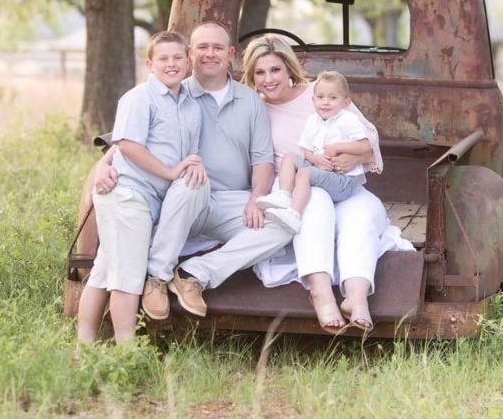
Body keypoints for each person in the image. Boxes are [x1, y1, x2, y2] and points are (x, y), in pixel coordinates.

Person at [84, 22, 294, 320]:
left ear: (231, 53)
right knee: (192, 181)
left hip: (228, 203)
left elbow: (262, 160)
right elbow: (138, 139)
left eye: (218, 47)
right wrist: (103, 164)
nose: (210, 54)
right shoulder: (176, 93)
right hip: (179, 200)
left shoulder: (250, 101)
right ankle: (157, 276)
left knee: (282, 224)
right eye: (203, 48)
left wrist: (256, 199)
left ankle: (194, 274)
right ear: (191, 54)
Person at [242, 35, 412, 332]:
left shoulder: (320, 93)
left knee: (363, 212)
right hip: (295, 183)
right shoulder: (254, 107)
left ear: (288, 68)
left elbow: (367, 137)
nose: (269, 79)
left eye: (275, 70)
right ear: (251, 76)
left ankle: (356, 297)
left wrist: (352, 158)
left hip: (340, 179)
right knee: (315, 206)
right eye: (260, 72)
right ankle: (321, 294)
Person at [76, 31, 208, 345]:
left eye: (177, 57)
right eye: (163, 58)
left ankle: (83, 347)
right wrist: (170, 171)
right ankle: (127, 351)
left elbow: (187, 151)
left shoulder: (190, 104)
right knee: (127, 279)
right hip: (128, 194)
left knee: (105, 269)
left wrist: (192, 164)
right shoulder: (138, 99)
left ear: (188, 60)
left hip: (152, 199)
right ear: (150, 63)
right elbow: (129, 146)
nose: (171, 64)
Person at [260, 71, 369, 234]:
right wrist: (315, 158)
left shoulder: (348, 120)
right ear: (313, 100)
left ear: (345, 102)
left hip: (343, 180)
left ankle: (294, 214)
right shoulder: (313, 120)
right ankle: (284, 195)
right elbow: (306, 150)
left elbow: (365, 147)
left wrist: (338, 147)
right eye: (320, 97)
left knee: (304, 173)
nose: (325, 102)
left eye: (333, 98)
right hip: (321, 168)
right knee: (290, 157)